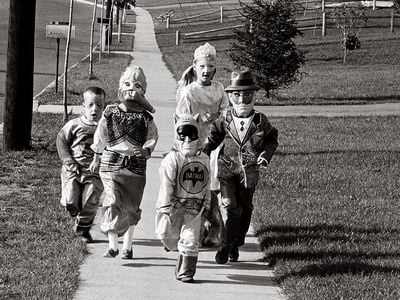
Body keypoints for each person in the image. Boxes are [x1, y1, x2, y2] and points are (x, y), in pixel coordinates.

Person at [202, 69, 279, 264]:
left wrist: (265, 156)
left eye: (247, 95)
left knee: (245, 209)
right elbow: (213, 137)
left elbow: (271, 140)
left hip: (249, 172)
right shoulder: (225, 118)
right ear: (230, 96)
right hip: (227, 169)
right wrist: (202, 151)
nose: (242, 100)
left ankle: (236, 243)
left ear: (254, 96)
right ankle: (225, 245)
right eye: (237, 95)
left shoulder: (261, 121)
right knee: (231, 206)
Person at [90, 64, 158, 259]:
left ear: (143, 91)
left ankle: (127, 246)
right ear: (120, 87)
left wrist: (146, 149)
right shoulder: (110, 112)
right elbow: (101, 135)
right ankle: (113, 245)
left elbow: (153, 137)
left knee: (130, 207)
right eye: (127, 84)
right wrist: (97, 155)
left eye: (137, 85)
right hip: (112, 164)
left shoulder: (146, 118)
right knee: (111, 201)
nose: (131, 88)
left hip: (135, 168)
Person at [175, 42, 229, 247]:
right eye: (202, 67)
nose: (206, 71)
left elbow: (225, 111)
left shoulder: (219, 89)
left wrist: (218, 116)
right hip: (195, 143)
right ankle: (193, 228)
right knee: (195, 187)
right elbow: (182, 120)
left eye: (210, 67)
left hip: (216, 143)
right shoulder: (189, 92)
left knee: (213, 186)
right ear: (195, 67)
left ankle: (214, 226)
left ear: (215, 68)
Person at [155, 114, 211, 283]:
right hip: (174, 205)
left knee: (190, 239)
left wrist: (207, 201)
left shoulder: (204, 159)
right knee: (166, 234)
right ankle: (172, 244)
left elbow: (207, 182)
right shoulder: (172, 159)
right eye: (182, 135)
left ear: (198, 136)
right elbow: (166, 183)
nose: (187, 140)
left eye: (191, 135)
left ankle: (186, 271)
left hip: (194, 206)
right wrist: (165, 206)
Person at [56, 86, 106, 243]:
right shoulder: (74, 124)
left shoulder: (106, 127)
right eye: (90, 105)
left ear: (104, 107)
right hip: (74, 170)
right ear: (83, 106)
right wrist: (68, 161)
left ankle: (83, 229)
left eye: (99, 105)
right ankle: (74, 209)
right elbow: (61, 141)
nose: (94, 109)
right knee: (71, 201)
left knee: (91, 200)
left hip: (95, 172)